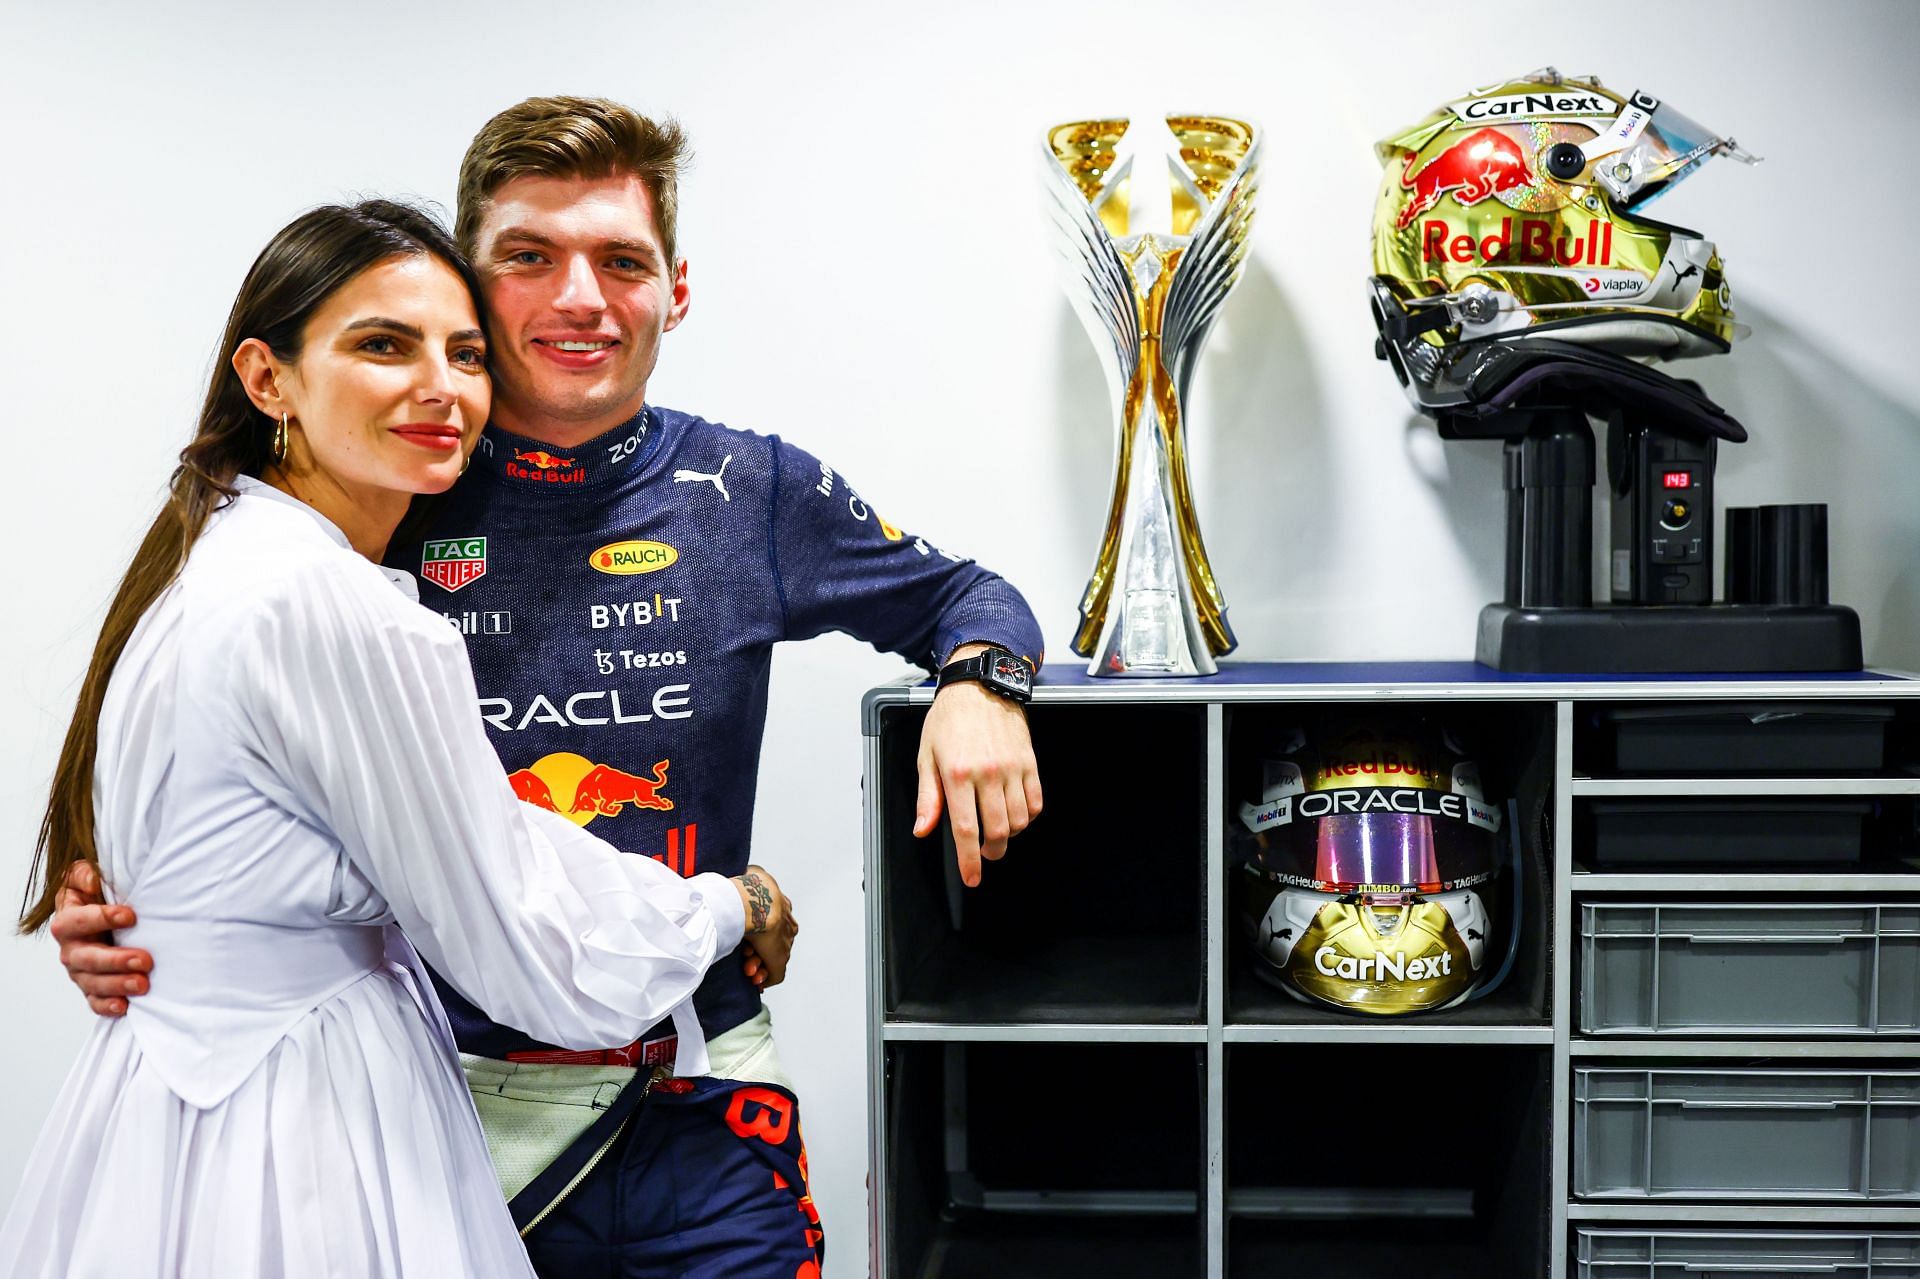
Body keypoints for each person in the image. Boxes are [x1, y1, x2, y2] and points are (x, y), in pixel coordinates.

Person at [52, 98, 1047, 1275]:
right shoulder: (383, 493)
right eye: (529, 258)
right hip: (450, 1115)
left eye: (619, 261)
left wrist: (981, 685)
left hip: (699, 1088)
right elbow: (229, 738)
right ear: (474, 285)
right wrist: (159, 911)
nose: (579, 297)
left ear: (674, 289)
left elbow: (970, 595)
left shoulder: (750, 486)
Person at [6, 199, 797, 1278]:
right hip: (306, 1131)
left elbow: (463, 830)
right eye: (384, 344)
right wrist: (725, 905)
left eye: (463, 352)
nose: (442, 385)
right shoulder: (334, 601)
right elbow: (528, 941)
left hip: (182, 1116)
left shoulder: (225, 555)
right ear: (267, 376)